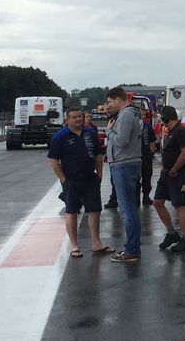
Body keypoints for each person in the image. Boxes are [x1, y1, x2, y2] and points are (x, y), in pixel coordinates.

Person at [48, 107, 111, 258]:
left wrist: (100, 175)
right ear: (67, 120)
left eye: (80, 117)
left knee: (95, 210)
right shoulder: (59, 137)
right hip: (71, 180)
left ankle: (96, 243)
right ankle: (75, 246)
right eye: (74, 117)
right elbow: (54, 160)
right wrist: (63, 180)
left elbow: (98, 155)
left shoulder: (90, 134)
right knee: (72, 212)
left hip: (90, 179)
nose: (78, 120)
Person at [104, 87, 144, 263]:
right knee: (130, 208)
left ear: (119, 99)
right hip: (127, 163)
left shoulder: (126, 115)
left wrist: (109, 131)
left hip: (124, 165)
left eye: (110, 101)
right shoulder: (130, 114)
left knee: (127, 209)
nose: (108, 105)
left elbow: (121, 141)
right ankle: (132, 247)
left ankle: (132, 249)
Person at [154, 105, 185, 253]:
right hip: (166, 174)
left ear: (166, 117)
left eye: (161, 117)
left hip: (177, 175)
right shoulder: (171, 131)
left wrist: (174, 169)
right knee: (157, 202)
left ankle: (184, 239)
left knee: (179, 205)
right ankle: (171, 233)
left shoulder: (180, 131)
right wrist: (165, 167)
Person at [136, 111, 157, 206]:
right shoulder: (133, 126)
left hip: (146, 156)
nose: (143, 117)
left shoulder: (148, 127)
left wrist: (151, 153)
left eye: (144, 115)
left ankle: (146, 197)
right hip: (135, 156)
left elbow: (152, 141)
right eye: (141, 115)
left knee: (147, 177)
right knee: (135, 178)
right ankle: (136, 198)